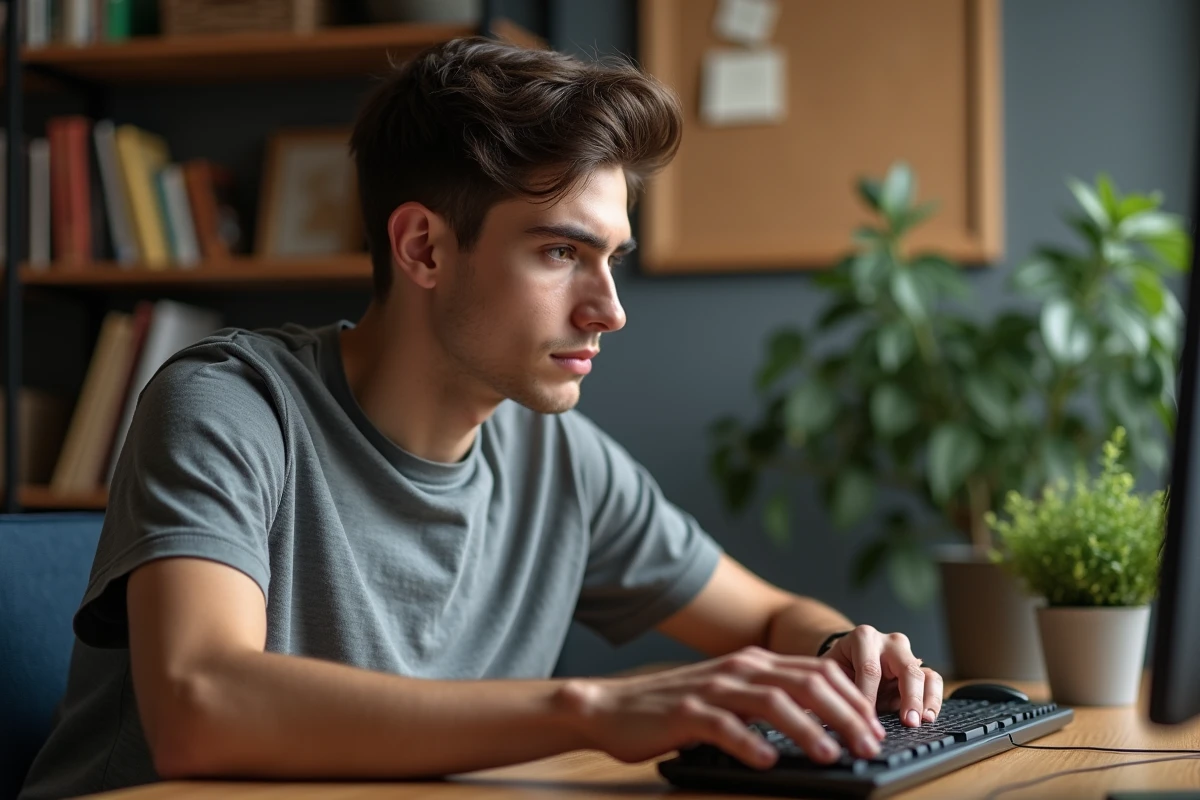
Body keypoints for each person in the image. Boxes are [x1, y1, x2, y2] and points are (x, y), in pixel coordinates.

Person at [18, 37, 942, 800]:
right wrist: (588, 710)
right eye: (561, 252)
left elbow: (772, 615)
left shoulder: (561, 461)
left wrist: (842, 652)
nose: (610, 310)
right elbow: (200, 706)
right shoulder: (231, 404)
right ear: (423, 247)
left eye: (613, 257)